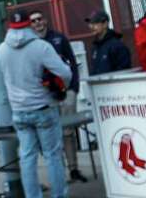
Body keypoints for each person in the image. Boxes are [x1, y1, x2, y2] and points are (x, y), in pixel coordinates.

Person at [0, 10, 72, 198]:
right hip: (43, 108)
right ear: (28, 24)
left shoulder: (2, 49)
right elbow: (65, 74)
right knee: (52, 156)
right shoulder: (41, 47)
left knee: (27, 158)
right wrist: (59, 87)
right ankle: (59, 195)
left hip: (19, 111)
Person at [29, 11, 85, 184]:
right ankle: (58, 173)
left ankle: (73, 169)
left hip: (66, 92)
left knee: (68, 132)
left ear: (45, 20)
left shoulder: (59, 39)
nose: (38, 23)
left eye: (40, 18)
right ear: (29, 25)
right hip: (46, 96)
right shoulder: (31, 44)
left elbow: (72, 63)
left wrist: (74, 88)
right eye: (33, 21)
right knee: (53, 135)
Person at [86, 10, 131, 75]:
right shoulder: (95, 47)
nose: (91, 26)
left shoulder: (117, 45)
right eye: (90, 23)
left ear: (105, 24)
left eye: (95, 23)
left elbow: (124, 71)